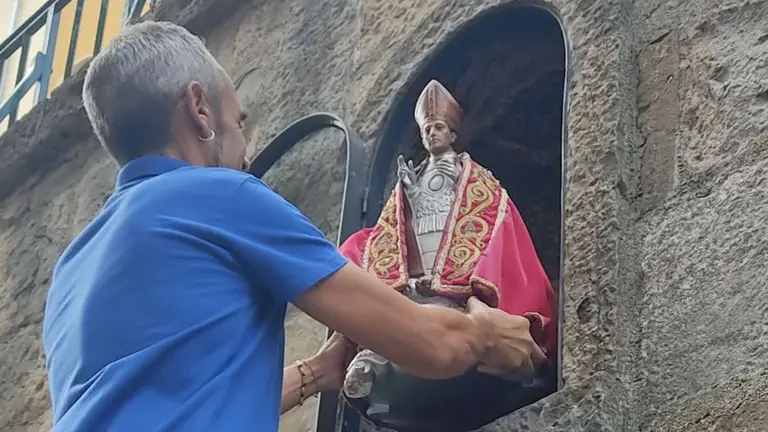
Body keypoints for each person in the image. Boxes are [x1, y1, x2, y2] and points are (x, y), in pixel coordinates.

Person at [41, 21, 546, 432]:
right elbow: (424, 342)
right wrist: (485, 336)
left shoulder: (71, 271)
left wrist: (316, 374)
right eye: (239, 122)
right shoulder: (219, 195)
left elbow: (179, 395)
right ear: (199, 110)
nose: (243, 151)